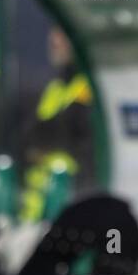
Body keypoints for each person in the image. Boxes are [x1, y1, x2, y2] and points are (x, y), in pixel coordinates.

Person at [19, 27, 94, 222]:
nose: (55, 41)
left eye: (64, 35)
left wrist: (46, 133)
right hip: (38, 205)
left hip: (71, 200)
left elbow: (70, 130)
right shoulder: (53, 87)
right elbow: (30, 137)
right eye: (54, 35)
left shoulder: (90, 87)